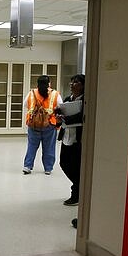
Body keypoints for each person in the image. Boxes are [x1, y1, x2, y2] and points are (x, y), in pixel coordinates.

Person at [22, 75, 62, 175]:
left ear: (37, 84)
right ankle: (48, 168)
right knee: (49, 147)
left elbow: (25, 105)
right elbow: (60, 107)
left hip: (33, 124)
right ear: (49, 84)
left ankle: (28, 166)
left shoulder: (32, 93)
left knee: (32, 146)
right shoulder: (55, 94)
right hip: (49, 124)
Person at [55, 74, 85, 206]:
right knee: (64, 164)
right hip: (67, 135)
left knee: (76, 166)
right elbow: (60, 116)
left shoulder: (86, 101)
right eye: (71, 82)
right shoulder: (67, 99)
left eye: (76, 82)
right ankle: (79, 186)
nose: (72, 85)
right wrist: (58, 116)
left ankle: (76, 193)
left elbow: (81, 116)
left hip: (78, 139)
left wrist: (67, 118)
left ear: (83, 85)